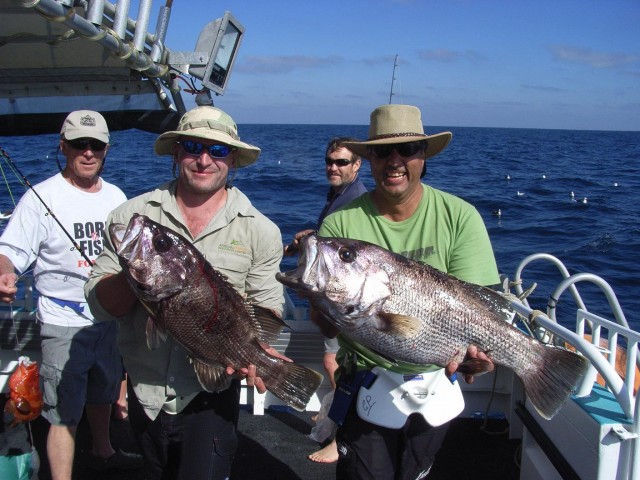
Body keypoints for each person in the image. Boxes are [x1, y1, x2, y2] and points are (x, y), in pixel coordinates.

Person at [84, 105, 286, 480]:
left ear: (234, 159)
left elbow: (267, 311)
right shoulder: (131, 217)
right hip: (144, 394)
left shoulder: (261, 231)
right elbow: (101, 308)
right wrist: (136, 272)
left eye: (219, 150)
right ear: (176, 152)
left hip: (211, 395)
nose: (204, 160)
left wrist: (262, 358)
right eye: (193, 146)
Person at [315, 104, 500, 479]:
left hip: (436, 381)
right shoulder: (340, 225)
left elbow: (480, 308)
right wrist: (322, 304)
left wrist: (482, 356)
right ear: (369, 159)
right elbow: (328, 327)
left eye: (409, 149)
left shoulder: (460, 216)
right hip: (365, 380)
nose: (394, 160)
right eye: (382, 151)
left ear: (423, 156)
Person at [0, 110, 143, 480]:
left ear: (107, 149)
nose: (88, 152)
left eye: (96, 144)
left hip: (108, 318)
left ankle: (103, 450)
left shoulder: (116, 196)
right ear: (62, 145)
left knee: (103, 391)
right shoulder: (40, 197)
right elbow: (11, 251)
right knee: (63, 412)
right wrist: (4, 274)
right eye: (80, 144)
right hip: (62, 321)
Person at [284, 137, 366, 464]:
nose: (333, 167)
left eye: (342, 162)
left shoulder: (354, 200)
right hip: (332, 296)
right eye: (329, 161)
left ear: (358, 165)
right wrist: (309, 240)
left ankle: (340, 434)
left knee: (335, 363)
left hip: (339, 298)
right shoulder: (339, 196)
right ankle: (336, 415)